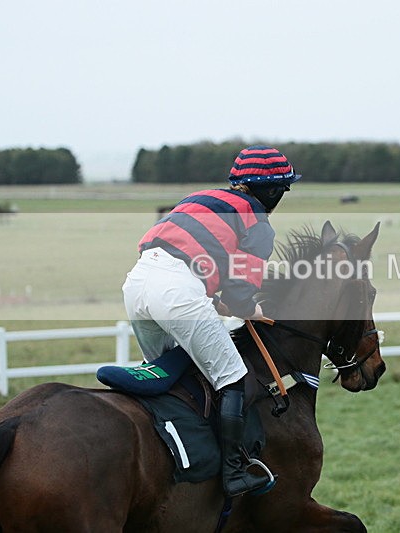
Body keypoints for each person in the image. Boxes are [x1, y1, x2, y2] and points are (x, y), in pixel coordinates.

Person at [122, 145, 300, 497]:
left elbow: (188, 259)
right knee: (232, 376)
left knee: (167, 374)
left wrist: (219, 301)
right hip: (177, 292)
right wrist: (249, 308)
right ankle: (235, 473)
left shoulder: (199, 198)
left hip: (137, 285)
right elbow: (239, 293)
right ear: (274, 191)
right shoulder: (258, 222)